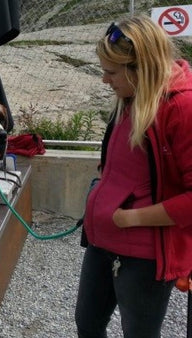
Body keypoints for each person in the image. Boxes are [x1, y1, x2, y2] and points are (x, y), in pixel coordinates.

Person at [75, 16, 192, 337]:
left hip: (144, 256)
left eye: (111, 72)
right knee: (87, 325)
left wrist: (131, 218)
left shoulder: (182, 108)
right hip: (102, 242)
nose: (104, 80)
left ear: (141, 68)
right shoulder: (130, 97)